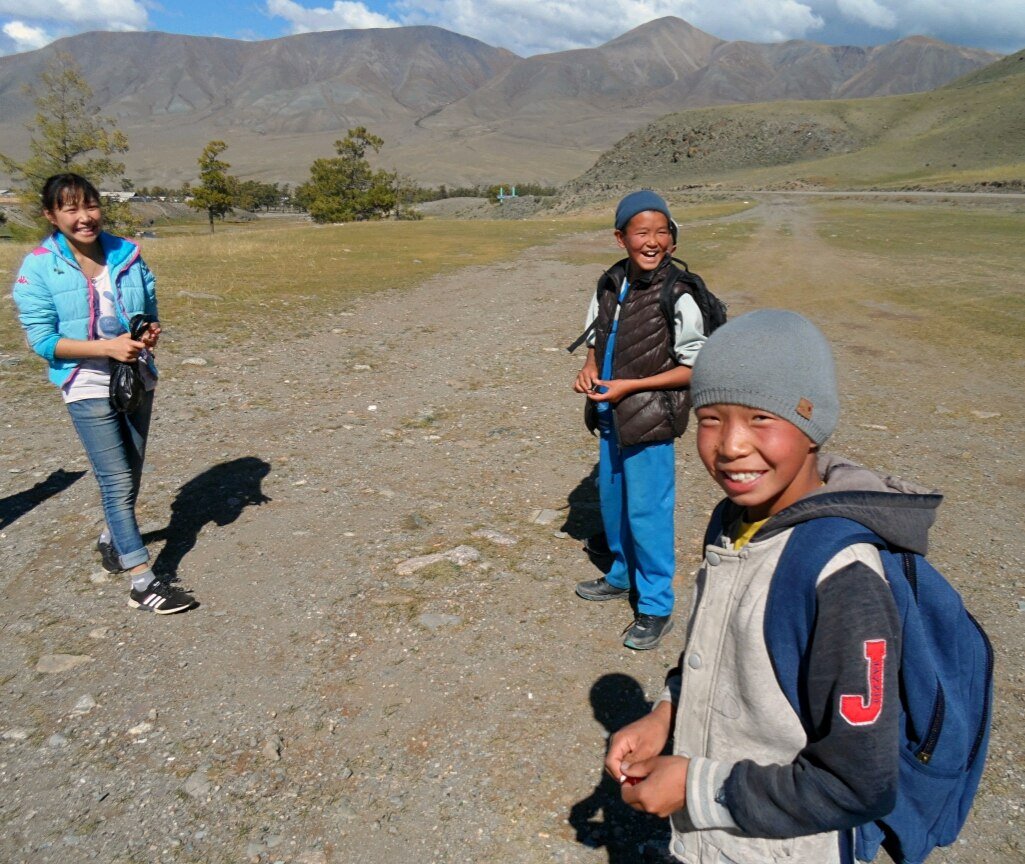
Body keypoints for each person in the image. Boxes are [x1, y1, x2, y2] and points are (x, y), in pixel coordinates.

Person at [605, 309, 915, 863]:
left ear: (814, 425)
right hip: (714, 840)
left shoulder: (842, 577)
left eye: (760, 418)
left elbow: (859, 784)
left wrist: (694, 789)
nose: (731, 446)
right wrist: (666, 715)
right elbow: (718, 647)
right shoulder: (732, 521)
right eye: (710, 418)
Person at [12, 173, 196, 614]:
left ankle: (112, 538)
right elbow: (42, 340)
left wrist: (148, 331)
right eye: (70, 209)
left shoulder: (127, 253)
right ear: (51, 215)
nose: (84, 217)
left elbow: (148, 309)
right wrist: (105, 348)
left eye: (89, 206)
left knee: (130, 471)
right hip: (85, 382)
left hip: (135, 376)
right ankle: (142, 580)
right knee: (114, 480)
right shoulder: (39, 266)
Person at [572, 190, 707, 650]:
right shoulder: (611, 282)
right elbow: (596, 334)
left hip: (650, 420)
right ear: (620, 238)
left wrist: (631, 386)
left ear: (672, 238)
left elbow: (695, 366)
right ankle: (620, 574)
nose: (652, 242)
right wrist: (590, 368)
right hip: (609, 414)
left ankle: (655, 605)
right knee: (614, 506)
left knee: (648, 513)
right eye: (641, 232)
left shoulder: (679, 293)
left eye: (662, 232)